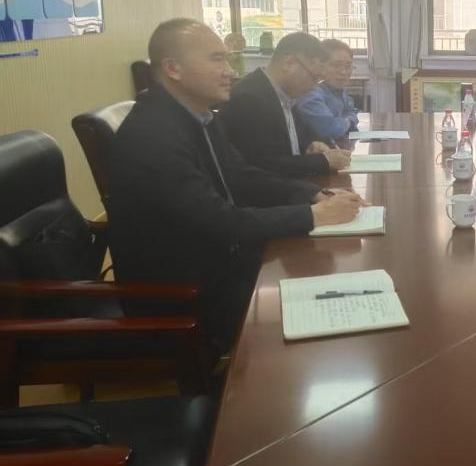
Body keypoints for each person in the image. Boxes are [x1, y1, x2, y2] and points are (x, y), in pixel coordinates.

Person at [107, 18, 367, 350]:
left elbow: (242, 175)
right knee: (336, 325)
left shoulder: (198, 116)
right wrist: (314, 215)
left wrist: (315, 193)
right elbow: (221, 221)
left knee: (343, 284)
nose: (230, 71)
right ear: (173, 68)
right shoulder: (154, 137)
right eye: (217, 59)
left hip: (221, 263)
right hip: (190, 294)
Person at [219, 32, 351, 177]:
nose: (315, 87)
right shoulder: (249, 98)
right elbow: (263, 165)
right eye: (314, 77)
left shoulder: (284, 94)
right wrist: (323, 161)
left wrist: (310, 145)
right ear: (289, 63)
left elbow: (289, 145)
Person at [295, 39, 361, 142]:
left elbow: (352, 112)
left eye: (348, 66)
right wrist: (349, 121)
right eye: (336, 65)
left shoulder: (339, 91)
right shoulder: (310, 94)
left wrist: (344, 121)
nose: (343, 72)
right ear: (319, 66)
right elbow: (331, 130)